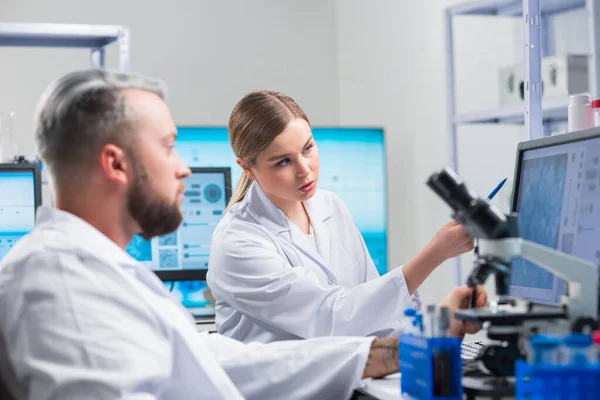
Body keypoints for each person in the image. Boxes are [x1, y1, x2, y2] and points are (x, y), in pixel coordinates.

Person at [0, 69, 485, 400]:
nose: (184, 168)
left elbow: (225, 361)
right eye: (168, 147)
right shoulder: (58, 284)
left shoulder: (96, 270)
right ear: (115, 163)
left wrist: (395, 351)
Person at [207, 90, 476, 343]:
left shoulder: (330, 206)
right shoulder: (237, 242)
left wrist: (441, 328)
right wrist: (435, 253)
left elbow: (375, 312)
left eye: (308, 148)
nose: (305, 170)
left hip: (345, 377)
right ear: (247, 168)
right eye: (283, 162)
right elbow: (331, 317)